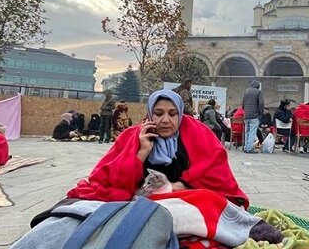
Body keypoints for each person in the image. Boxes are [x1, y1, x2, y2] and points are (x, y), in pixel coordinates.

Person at [67, 89, 248, 207]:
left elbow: (216, 177)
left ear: (180, 115)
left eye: (172, 114)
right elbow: (109, 180)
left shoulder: (200, 134)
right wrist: (142, 151)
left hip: (187, 202)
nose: (165, 120)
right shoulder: (133, 136)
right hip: (141, 204)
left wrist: (175, 187)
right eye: (159, 114)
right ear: (150, 113)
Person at [241, 80, 264, 154]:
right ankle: (249, 148)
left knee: (247, 132)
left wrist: (245, 110)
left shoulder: (246, 91)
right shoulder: (258, 92)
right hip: (254, 115)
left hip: (246, 115)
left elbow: (243, 103)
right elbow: (261, 103)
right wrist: (261, 113)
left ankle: (246, 147)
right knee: (252, 133)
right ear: (258, 86)